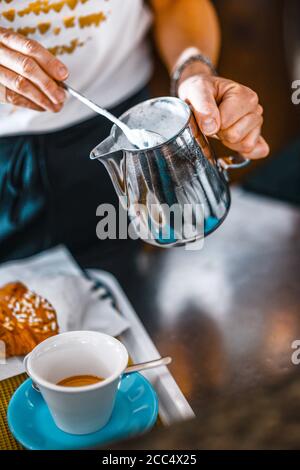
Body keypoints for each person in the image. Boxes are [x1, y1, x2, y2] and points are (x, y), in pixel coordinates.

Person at [0, 0, 269, 262]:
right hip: (5, 152)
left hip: (124, 129)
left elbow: (175, 4)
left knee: (116, 278)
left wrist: (193, 72)